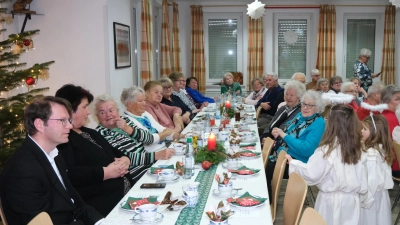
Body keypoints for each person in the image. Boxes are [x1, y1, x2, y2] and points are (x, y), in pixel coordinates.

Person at [0, 96, 103, 225]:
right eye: (63, 120)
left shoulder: (55, 154)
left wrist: (101, 222)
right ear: (40, 125)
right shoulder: (21, 169)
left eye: (69, 120)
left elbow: (75, 201)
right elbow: (41, 221)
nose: (70, 126)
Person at [55, 84, 131, 216]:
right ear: (70, 110)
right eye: (84, 107)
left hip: (126, 195)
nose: (88, 112)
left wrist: (125, 159)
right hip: (102, 206)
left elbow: (114, 152)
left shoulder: (89, 131)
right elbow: (70, 174)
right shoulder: (64, 140)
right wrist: (106, 172)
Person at [285, 104, 367, 225]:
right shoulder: (358, 148)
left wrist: (293, 163)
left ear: (332, 124)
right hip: (352, 201)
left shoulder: (326, 150)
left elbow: (312, 174)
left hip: (331, 203)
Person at [93, 94, 176, 183]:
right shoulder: (100, 134)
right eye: (102, 112)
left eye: (111, 110)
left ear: (117, 111)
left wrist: (127, 128)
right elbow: (125, 157)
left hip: (151, 167)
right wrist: (156, 155)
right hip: (137, 174)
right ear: (97, 116)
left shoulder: (125, 121)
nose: (108, 115)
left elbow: (148, 139)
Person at [265, 90, 326, 200]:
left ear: (318, 108)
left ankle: (268, 204)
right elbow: (285, 133)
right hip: (283, 154)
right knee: (261, 163)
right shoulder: (299, 116)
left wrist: (283, 135)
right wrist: (277, 133)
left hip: (298, 162)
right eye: (304, 104)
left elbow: (306, 149)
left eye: (310, 105)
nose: (305, 108)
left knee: (266, 169)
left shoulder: (319, 123)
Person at [121, 86, 184, 152]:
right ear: (129, 104)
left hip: (165, 149)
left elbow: (161, 129)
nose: (144, 103)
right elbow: (149, 140)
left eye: (144, 100)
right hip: (153, 156)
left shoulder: (145, 113)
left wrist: (180, 136)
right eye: (140, 101)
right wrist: (166, 133)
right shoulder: (127, 121)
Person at [360, 115, 393, 225]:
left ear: (375, 132)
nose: (361, 131)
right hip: (379, 196)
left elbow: (372, 182)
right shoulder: (378, 148)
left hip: (372, 199)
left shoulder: (372, 155)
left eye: (365, 129)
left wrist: (365, 200)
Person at [381, 85, 400, 177]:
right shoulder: (390, 119)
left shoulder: (383, 114)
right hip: (395, 165)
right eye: (397, 99)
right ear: (386, 101)